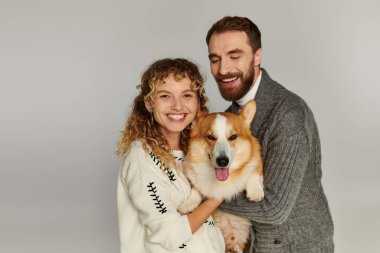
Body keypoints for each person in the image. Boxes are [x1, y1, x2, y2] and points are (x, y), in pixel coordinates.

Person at [205, 16, 334, 252]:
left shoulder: (287, 113)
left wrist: (202, 195)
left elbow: (273, 208)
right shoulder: (225, 119)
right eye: (215, 59)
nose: (223, 69)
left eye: (234, 56)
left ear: (257, 56)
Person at [116, 58, 225, 253]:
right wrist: (218, 195)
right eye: (165, 96)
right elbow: (170, 236)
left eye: (187, 95)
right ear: (149, 104)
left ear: (198, 102)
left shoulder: (195, 151)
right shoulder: (142, 158)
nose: (177, 106)